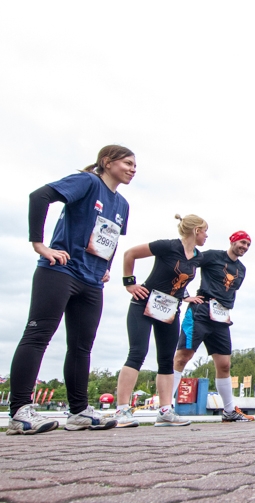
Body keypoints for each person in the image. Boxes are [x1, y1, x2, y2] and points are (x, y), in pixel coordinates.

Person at [8, 146, 135, 435]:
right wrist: (39, 244)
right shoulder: (87, 182)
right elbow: (39, 196)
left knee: (81, 347)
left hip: (92, 281)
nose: (133, 169)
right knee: (38, 335)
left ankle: (78, 412)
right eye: (127, 163)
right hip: (60, 270)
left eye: (134, 165)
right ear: (107, 162)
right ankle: (19, 411)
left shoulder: (123, 204)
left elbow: (110, 237)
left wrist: (105, 267)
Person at [111, 214, 207, 428]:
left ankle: (165, 411)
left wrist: (185, 296)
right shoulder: (168, 246)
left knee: (166, 360)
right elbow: (130, 254)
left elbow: (179, 280)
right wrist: (129, 283)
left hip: (169, 310)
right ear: (196, 231)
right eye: (205, 231)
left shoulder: (198, 257)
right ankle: (122, 410)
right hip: (144, 304)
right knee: (137, 353)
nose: (206, 236)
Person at [171, 231, 253, 426]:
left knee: (224, 364)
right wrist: (184, 295)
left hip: (221, 317)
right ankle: (166, 407)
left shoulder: (241, 269)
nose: (245, 247)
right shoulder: (212, 256)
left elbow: (230, 291)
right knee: (182, 357)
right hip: (200, 311)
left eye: (248, 245)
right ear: (232, 241)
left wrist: (227, 310)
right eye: (242, 242)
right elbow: (185, 266)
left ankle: (229, 411)